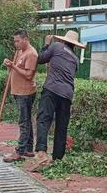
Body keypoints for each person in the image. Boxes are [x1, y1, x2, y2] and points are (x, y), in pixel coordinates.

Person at [29, 30, 85, 171]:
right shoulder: (75, 59)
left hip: (52, 89)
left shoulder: (56, 47)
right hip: (67, 94)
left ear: (63, 40)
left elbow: (41, 59)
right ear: (75, 45)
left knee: (43, 119)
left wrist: (46, 44)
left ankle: (41, 153)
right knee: (62, 125)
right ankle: (58, 158)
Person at [2, 30, 38, 163]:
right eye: (14, 41)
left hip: (25, 93)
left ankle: (19, 152)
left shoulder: (31, 54)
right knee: (26, 120)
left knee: (23, 122)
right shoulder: (20, 52)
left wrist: (13, 66)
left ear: (25, 39)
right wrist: (9, 64)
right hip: (18, 91)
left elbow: (29, 75)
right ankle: (28, 149)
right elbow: (15, 68)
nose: (15, 44)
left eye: (18, 41)